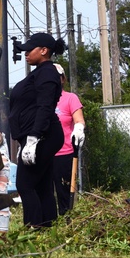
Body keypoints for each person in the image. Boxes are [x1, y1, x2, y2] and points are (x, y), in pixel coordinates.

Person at [9, 32, 66, 228]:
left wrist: (33, 138)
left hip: (44, 135)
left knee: (25, 184)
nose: (25, 53)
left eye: (29, 49)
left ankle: (32, 229)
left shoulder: (47, 73)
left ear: (43, 51)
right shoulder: (40, 72)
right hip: (37, 135)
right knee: (41, 184)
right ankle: (46, 228)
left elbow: (45, 107)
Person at [52, 63, 85, 215]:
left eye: (57, 77)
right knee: (45, 194)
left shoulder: (70, 98)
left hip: (64, 153)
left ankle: (66, 222)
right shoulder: (38, 100)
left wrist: (78, 128)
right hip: (43, 154)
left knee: (64, 192)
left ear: (63, 79)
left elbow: (79, 120)